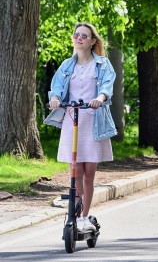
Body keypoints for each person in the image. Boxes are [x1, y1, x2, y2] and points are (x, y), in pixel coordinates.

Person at [45, 22, 117, 232]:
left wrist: (100, 98)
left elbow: (106, 86)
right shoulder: (67, 65)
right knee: (74, 170)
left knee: (89, 172)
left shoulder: (102, 64)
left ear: (93, 41)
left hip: (93, 119)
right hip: (72, 119)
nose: (79, 38)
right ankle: (74, 214)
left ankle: (84, 217)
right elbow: (56, 86)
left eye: (84, 36)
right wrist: (56, 99)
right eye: (76, 35)